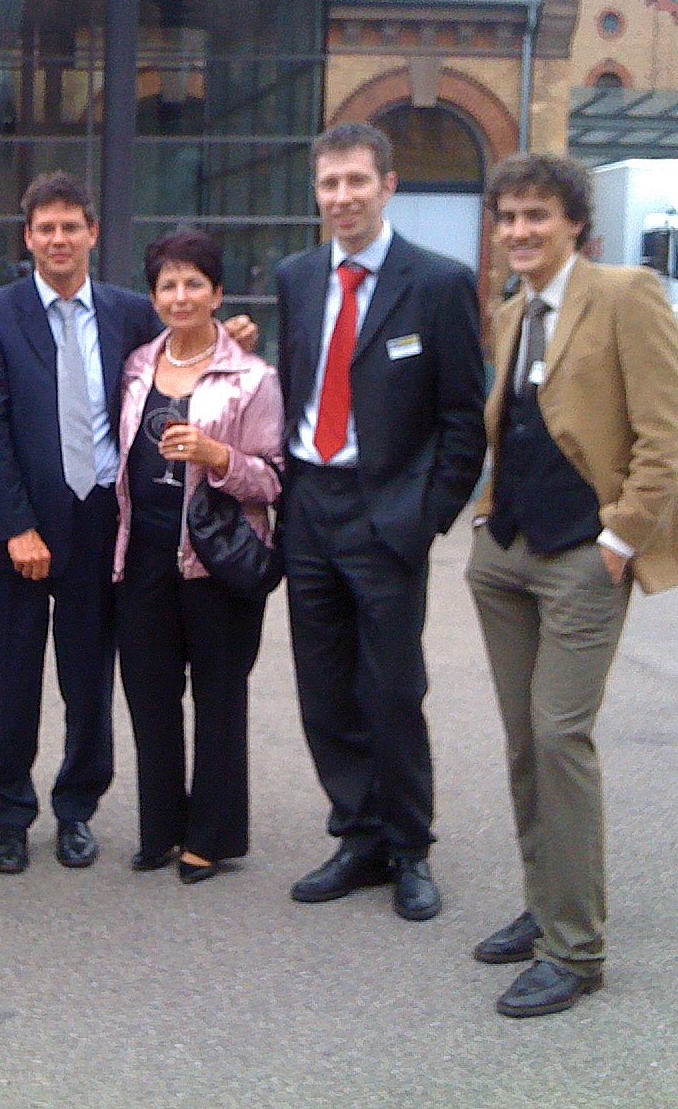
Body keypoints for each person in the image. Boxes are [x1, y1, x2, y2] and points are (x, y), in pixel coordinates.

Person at [0, 172, 258, 874]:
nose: (58, 240)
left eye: (71, 226)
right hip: (19, 527)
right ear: (27, 237)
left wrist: (234, 332)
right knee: (10, 680)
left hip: (102, 518)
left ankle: (75, 809)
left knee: (88, 677)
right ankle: (10, 812)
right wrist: (14, 525)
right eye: (45, 229)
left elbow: (188, 352)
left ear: (93, 233)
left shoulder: (132, 313)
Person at [466, 153, 678, 1018]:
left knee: (560, 738)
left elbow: (666, 435)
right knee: (525, 743)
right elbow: (513, 425)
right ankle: (545, 906)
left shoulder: (625, 294)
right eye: (509, 218)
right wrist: (492, 514)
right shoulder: (511, 311)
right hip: (509, 555)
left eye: (536, 216)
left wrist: (618, 540)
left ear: (572, 223)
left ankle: (578, 950)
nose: (520, 231)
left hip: (583, 558)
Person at [276, 122, 485, 922]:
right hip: (310, 508)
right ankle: (357, 833)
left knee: (392, 688)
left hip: (385, 514)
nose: (341, 198)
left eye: (356, 182)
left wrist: (423, 517)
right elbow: (295, 383)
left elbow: (464, 421)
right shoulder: (296, 277)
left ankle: (409, 848)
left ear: (388, 185)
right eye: (329, 185)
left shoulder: (437, 283)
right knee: (324, 689)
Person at [113, 229, 284, 884]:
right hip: (145, 556)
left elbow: (274, 477)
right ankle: (160, 829)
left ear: (217, 293)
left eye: (193, 283)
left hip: (216, 561)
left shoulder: (251, 376)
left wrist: (220, 459)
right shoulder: (135, 367)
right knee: (150, 698)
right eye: (167, 284)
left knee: (218, 698)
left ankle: (209, 837)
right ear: (153, 295)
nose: (179, 296)